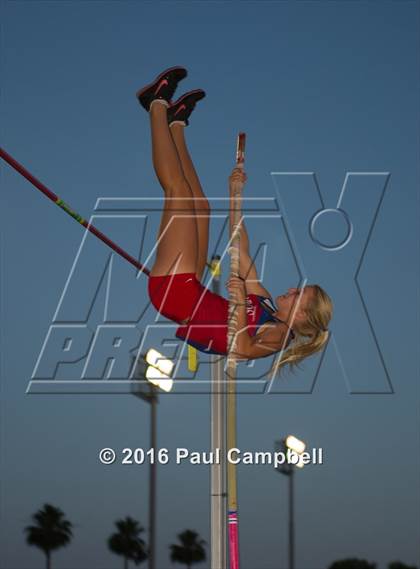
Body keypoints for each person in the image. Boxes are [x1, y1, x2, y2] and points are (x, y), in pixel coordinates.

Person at [137, 66, 332, 372]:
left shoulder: (281, 335)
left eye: (298, 295)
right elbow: (239, 250)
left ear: (303, 316)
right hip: (191, 288)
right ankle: (176, 123)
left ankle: (155, 104)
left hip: (177, 294)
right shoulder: (265, 303)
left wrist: (240, 301)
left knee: (178, 192)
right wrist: (234, 192)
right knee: (201, 207)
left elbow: (240, 350)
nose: (291, 290)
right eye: (298, 289)